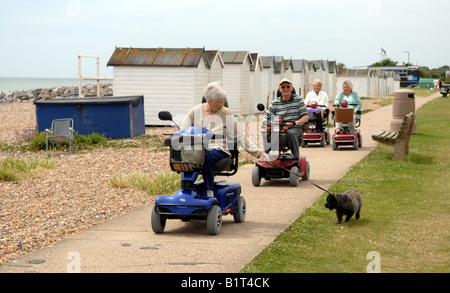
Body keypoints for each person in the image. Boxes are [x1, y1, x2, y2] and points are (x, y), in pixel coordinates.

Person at [181, 81, 267, 198]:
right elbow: (182, 129)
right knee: (186, 155)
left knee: (205, 155)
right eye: (220, 102)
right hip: (197, 148)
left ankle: (209, 191)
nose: (223, 104)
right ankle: (186, 189)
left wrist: (259, 153)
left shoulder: (226, 113)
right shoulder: (195, 111)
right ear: (209, 101)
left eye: (224, 101)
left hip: (218, 149)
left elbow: (240, 136)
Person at [264, 78, 308, 160]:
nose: (286, 89)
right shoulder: (275, 102)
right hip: (278, 128)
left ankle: (296, 158)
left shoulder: (298, 100)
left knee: (290, 133)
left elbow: (305, 117)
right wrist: (268, 123)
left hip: (295, 128)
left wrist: (295, 123)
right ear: (279, 89)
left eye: (288, 86)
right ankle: (267, 157)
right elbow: (265, 118)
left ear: (292, 88)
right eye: (283, 87)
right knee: (266, 134)